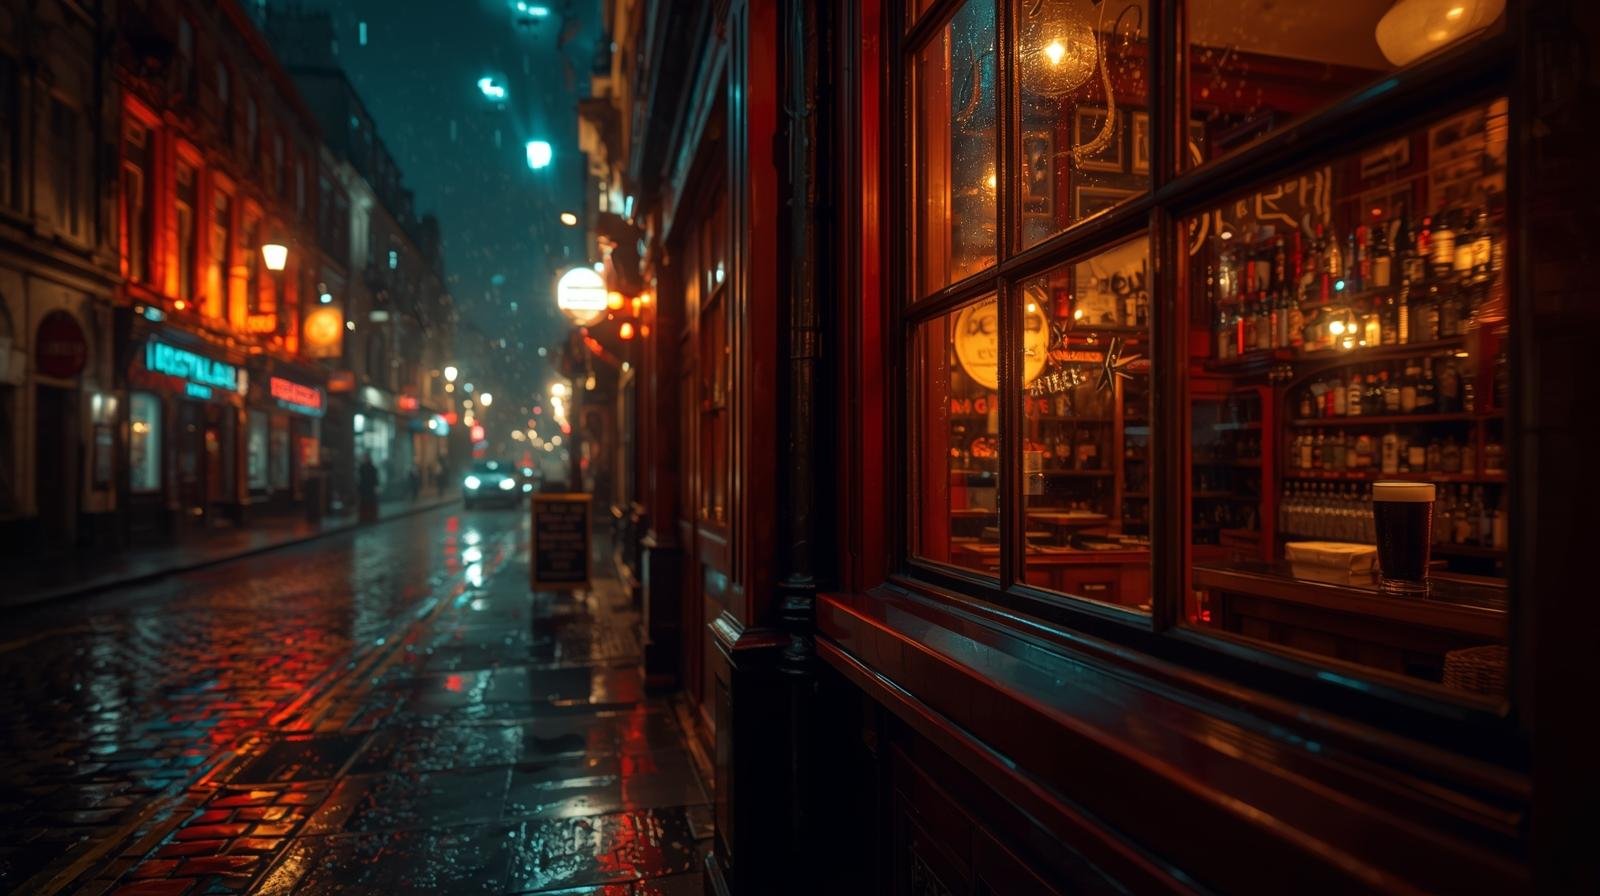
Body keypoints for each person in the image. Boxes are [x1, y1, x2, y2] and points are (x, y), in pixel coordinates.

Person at [357, 454, 379, 523]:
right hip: (364, 488)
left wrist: (376, 486)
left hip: (369, 488)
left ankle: (370, 517)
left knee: (370, 502)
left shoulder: (372, 468)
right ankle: (365, 517)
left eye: (366, 458)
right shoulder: (362, 467)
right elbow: (360, 478)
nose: (365, 459)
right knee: (365, 503)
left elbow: (375, 479)